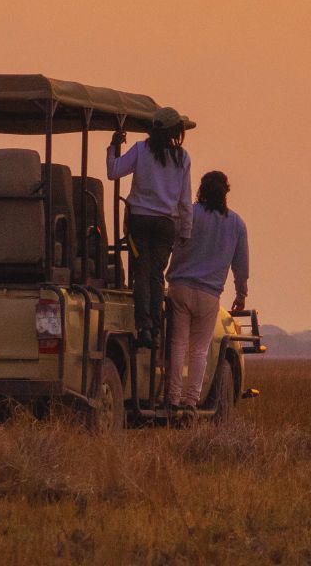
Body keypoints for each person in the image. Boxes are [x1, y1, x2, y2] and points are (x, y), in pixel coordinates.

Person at [106, 106, 194, 348]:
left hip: (139, 222)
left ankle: (143, 326)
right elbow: (185, 200)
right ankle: (155, 328)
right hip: (166, 224)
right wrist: (185, 230)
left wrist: (113, 146)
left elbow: (113, 172)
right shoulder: (182, 158)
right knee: (156, 275)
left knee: (141, 272)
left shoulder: (140, 150)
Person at [166, 170, 250, 408]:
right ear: (226, 192)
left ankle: (172, 397)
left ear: (201, 190)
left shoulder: (188, 215)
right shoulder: (236, 224)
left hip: (179, 287)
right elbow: (241, 266)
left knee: (178, 344)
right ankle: (191, 400)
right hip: (209, 293)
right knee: (200, 349)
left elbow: (169, 241)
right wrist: (241, 294)